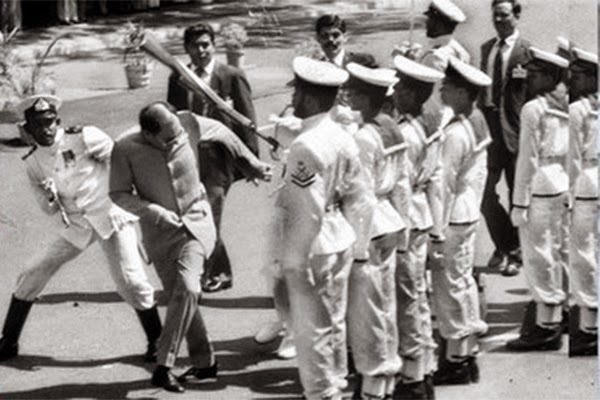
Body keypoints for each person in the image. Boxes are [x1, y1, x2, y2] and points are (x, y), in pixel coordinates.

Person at [0, 95, 160, 364]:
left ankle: (158, 340)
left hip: (110, 217)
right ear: (27, 129)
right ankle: (8, 341)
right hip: (78, 225)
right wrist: (50, 195)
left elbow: (122, 164)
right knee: (33, 271)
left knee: (131, 282)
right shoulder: (33, 161)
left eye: (50, 122)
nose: (46, 129)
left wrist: (132, 203)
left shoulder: (85, 137)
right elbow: (49, 209)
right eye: (38, 125)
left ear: (58, 121)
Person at [276, 56, 373, 400]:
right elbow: (359, 194)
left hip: (314, 245)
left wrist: (295, 258)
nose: (293, 100)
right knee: (333, 320)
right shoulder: (340, 135)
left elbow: (307, 210)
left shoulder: (305, 145)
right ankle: (336, 383)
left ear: (311, 97)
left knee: (311, 329)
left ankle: (322, 392)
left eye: (298, 94)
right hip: (340, 236)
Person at [110, 102, 218, 393]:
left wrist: (252, 163)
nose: (177, 140)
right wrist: (153, 211)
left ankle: (163, 366)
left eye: (179, 134)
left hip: (197, 224)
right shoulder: (124, 148)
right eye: (169, 138)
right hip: (160, 236)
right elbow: (118, 193)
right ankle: (205, 362)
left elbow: (224, 133)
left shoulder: (187, 124)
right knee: (180, 297)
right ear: (148, 134)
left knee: (189, 288)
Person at [167, 22, 259, 293]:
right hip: (189, 157)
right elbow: (173, 118)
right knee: (195, 215)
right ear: (186, 49)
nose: (201, 50)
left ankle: (213, 272)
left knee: (210, 214)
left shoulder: (230, 75)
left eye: (205, 44)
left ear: (214, 46)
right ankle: (217, 270)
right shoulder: (179, 78)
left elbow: (247, 119)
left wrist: (251, 161)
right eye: (195, 46)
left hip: (219, 158)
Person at [344, 61, 406, 400]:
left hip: (370, 229)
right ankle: (386, 381)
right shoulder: (391, 128)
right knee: (385, 308)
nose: (349, 99)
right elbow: (402, 184)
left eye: (354, 94)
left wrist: (357, 250)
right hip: (389, 222)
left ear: (367, 99)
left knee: (366, 315)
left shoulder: (365, 136)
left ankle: (372, 387)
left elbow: (363, 198)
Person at [431, 58, 491, 385]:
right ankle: (467, 352)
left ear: (464, 93)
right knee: (463, 283)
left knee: (449, 288)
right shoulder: (476, 120)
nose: (442, 91)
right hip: (468, 211)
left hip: (453, 216)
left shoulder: (455, 132)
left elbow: (443, 184)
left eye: (448, 87)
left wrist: (436, 231)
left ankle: (455, 360)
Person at [506, 47, 570, 352]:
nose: (528, 78)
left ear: (549, 76)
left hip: (540, 185)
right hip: (561, 180)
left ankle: (546, 327)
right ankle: (564, 312)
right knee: (559, 252)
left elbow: (527, 159)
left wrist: (519, 202)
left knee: (538, 258)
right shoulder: (567, 103)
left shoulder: (534, 108)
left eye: (534, 74)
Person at [391, 55, 445, 400]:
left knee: (407, 301)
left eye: (399, 89)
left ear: (410, 95)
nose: (394, 94)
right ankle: (424, 367)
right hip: (422, 216)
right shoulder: (428, 125)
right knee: (419, 298)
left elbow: (400, 186)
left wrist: (398, 235)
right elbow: (436, 180)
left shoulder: (407, 132)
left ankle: (412, 376)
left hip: (408, 221)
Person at [478, 0, 531, 276]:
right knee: (483, 193)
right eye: (495, 16)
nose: (498, 21)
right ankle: (504, 243)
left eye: (504, 15)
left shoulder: (527, 52)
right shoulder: (487, 48)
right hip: (489, 133)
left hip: (515, 133)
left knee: (516, 194)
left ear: (516, 15)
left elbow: (532, 96)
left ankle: (516, 254)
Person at [567, 47, 598, 357]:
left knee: (583, 256)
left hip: (586, 186)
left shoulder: (577, 110)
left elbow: (573, 158)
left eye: (577, 76)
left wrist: (569, 196)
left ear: (591, 78)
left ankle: (589, 329)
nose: (571, 81)